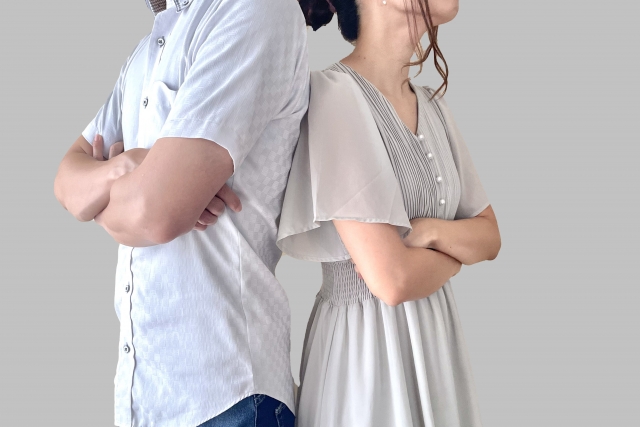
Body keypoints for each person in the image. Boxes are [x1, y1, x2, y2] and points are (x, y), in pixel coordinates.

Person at [53, 0, 309, 426]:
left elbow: (155, 213)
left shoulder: (256, 10)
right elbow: (66, 183)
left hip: (229, 393)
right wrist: (129, 166)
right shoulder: (147, 51)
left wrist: (119, 193)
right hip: (144, 396)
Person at [277, 0, 502, 425]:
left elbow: (491, 236)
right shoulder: (333, 95)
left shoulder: (433, 106)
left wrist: (432, 232)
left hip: (436, 345)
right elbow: (392, 281)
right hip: (367, 360)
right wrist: (458, 253)